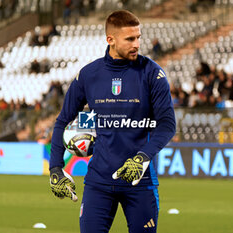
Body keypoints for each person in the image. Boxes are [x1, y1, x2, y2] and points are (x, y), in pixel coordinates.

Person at [48, 10, 176, 233]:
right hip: (98, 182)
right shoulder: (89, 75)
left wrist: (142, 157)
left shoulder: (152, 74)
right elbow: (63, 121)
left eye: (138, 37)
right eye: (130, 39)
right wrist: (56, 168)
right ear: (110, 40)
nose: (136, 44)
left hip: (140, 182)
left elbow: (167, 125)